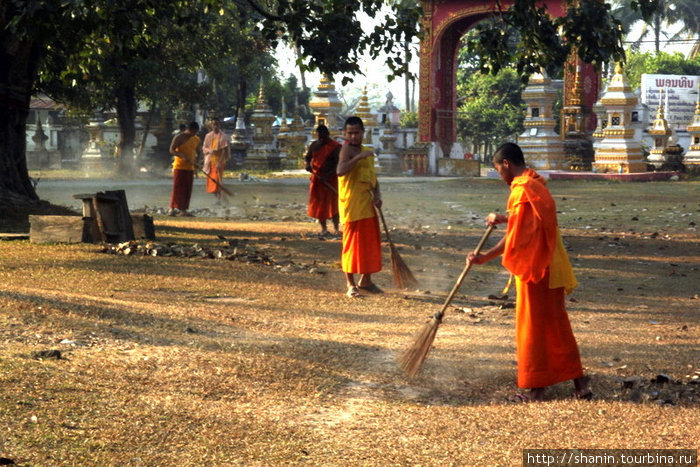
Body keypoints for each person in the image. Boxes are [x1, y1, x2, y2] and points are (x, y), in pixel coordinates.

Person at [467, 142, 591, 402]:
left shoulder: (521, 190)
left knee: (532, 326)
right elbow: (527, 221)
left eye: (497, 169)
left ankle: (536, 388)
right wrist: (504, 218)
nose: (499, 175)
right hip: (553, 263)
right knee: (556, 324)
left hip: (537, 267)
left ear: (506, 164)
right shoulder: (536, 184)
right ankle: (580, 384)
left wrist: (484, 257)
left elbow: (518, 236)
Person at [337, 116, 383, 298]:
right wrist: (358, 158)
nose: (354, 136)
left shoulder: (366, 151)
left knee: (370, 243)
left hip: (367, 205)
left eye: (357, 132)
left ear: (364, 132)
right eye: (350, 133)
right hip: (351, 206)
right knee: (351, 244)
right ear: (345, 134)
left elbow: (373, 179)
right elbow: (340, 170)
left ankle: (366, 280)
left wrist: (378, 195)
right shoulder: (346, 150)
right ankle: (351, 284)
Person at [305, 124, 341, 236]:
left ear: (328, 135)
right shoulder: (314, 145)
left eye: (323, 137)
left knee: (334, 204)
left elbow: (339, 164)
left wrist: (328, 175)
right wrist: (307, 165)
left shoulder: (336, 147)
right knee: (319, 204)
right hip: (317, 180)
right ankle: (324, 228)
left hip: (331, 179)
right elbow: (308, 158)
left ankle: (336, 227)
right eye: (319, 136)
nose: (321, 139)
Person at [168, 121, 202, 217]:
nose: (194, 134)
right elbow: (171, 150)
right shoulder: (179, 137)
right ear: (189, 130)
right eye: (193, 132)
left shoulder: (196, 139)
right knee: (178, 188)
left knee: (187, 189)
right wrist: (182, 155)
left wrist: (197, 163)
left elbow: (199, 153)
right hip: (179, 166)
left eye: (196, 132)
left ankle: (183, 210)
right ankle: (172, 208)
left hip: (190, 167)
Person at [202, 118, 230, 205]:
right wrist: (210, 151)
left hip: (219, 161)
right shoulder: (208, 136)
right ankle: (217, 198)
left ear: (219, 125)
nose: (215, 126)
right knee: (212, 181)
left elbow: (224, 151)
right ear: (211, 126)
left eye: (217, 125)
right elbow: (204, 148)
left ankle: (219, 199)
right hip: (210, 161)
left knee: (218, 181)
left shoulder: (223, 136)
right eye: (214, 125)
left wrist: (219, 162)